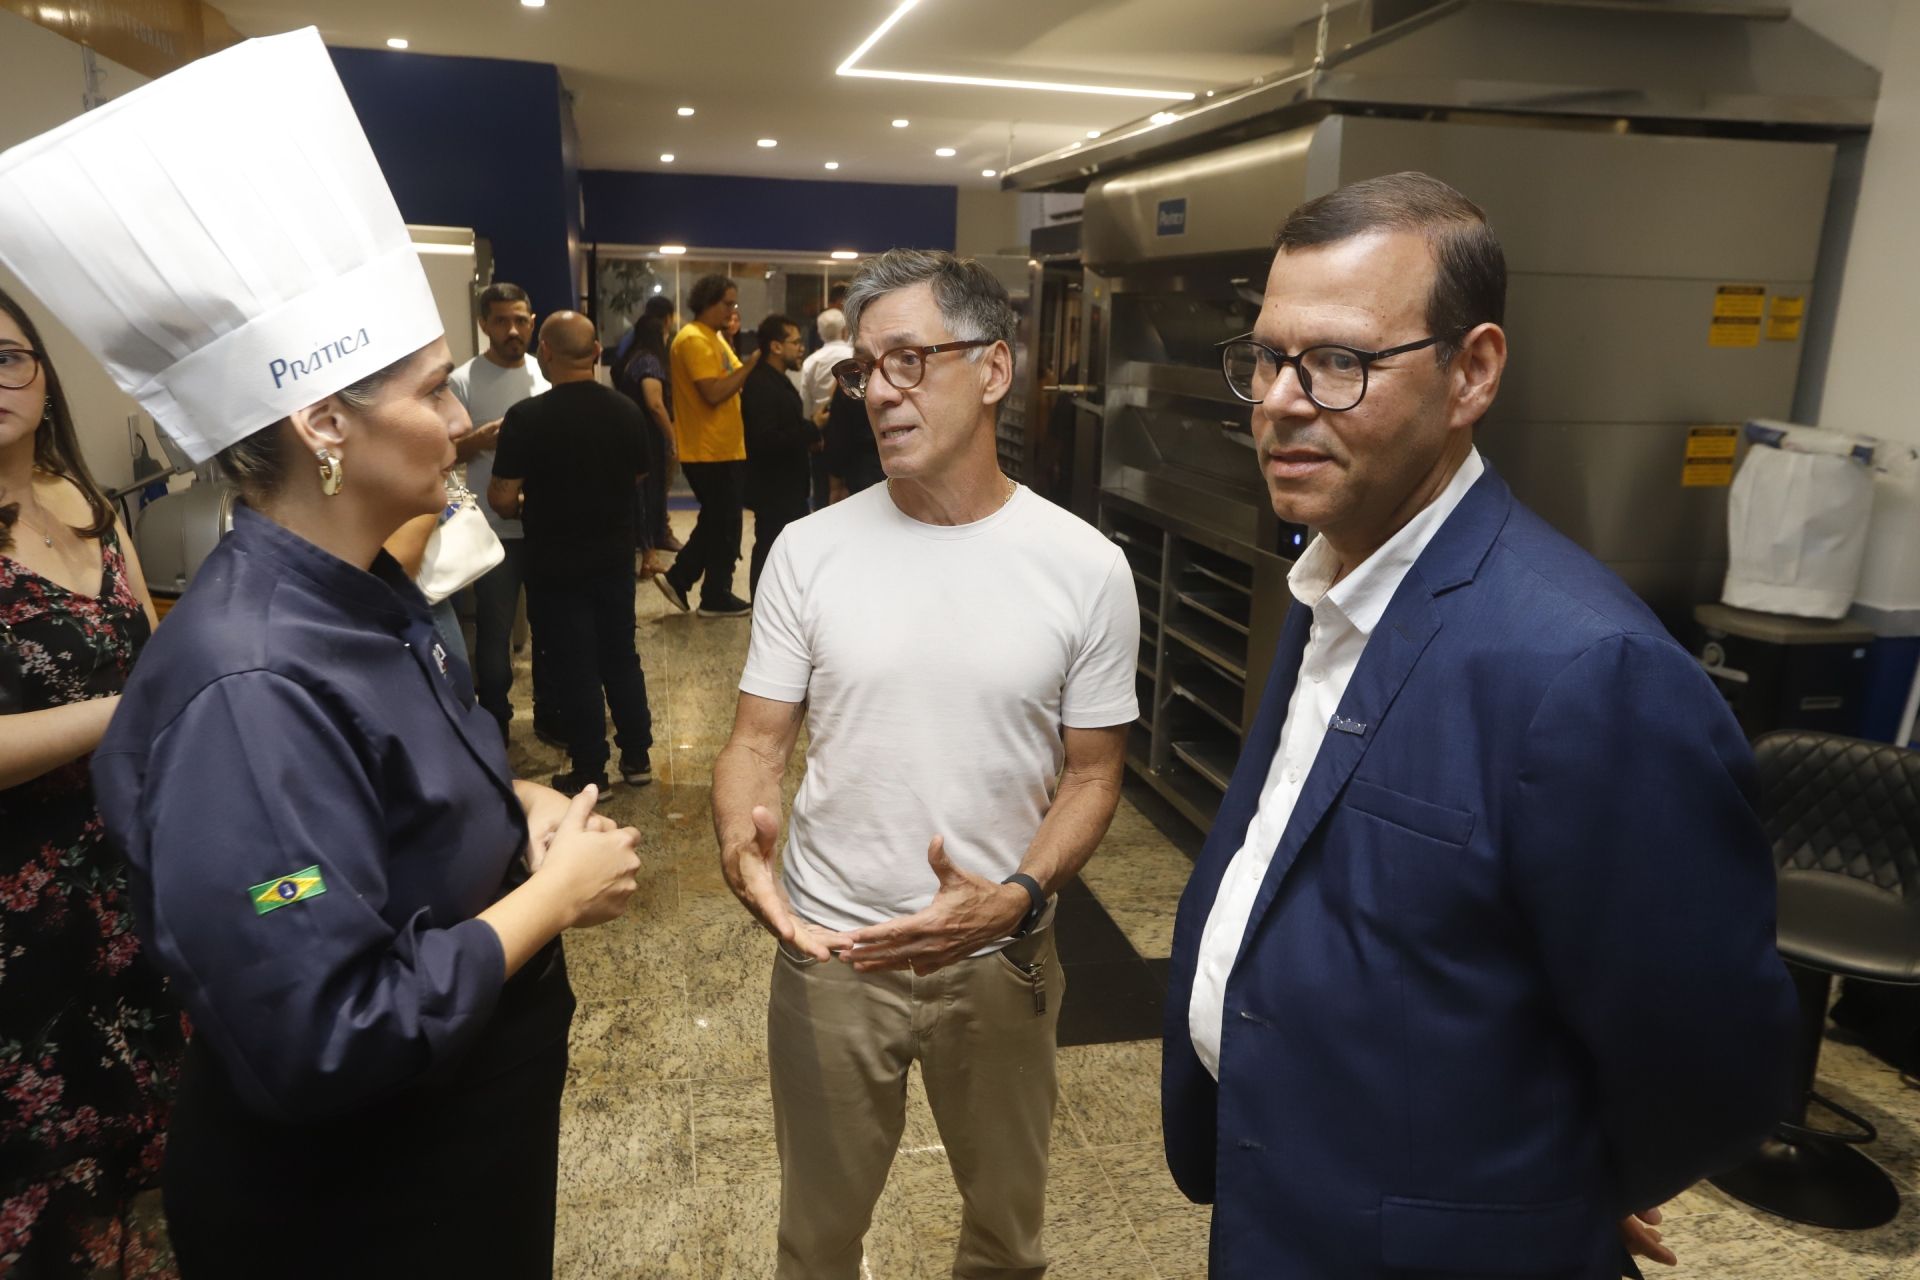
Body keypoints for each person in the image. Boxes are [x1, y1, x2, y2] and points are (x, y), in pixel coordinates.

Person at [0, 28, 642, 1278]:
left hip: (453, 1149)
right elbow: (328, 1028)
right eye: (434, 391)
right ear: (323, 422)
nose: (463, 423)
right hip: (362, 1205)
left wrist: (515, 809)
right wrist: (547, 898)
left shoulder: (366, 589)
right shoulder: (247, 682)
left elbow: (399, 775)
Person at [1159, 172, 1799, 1279]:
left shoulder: (1588, 673)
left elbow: (1714, 1064)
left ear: (1474, 371)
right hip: (1279, 1199)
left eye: (1341, 362)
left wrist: (1550, 1184)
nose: (1279, 400)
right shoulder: (1334, 584)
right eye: (1268, 357)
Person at [712, 249, 1140, 1279]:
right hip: (832, 951)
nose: (881, 393)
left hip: (999, 956)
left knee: (1006, 1237)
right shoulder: (809, 551)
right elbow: (757, 743)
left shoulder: (1085, 566)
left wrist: (1018, 893)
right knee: (817, 1239)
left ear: (993, 370)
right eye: (867, 369)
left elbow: (1092, 775)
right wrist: (742, 836)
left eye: (910, 359)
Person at [0, 287, 186, 1277]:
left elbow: (155, 652)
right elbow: (145, 693)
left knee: (138, 1133)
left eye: (8, 357)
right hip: (18, 903)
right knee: (41, 1180)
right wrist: (125, 713)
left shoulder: (88, 501)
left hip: (128, 864)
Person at [488, 312, 656, 794]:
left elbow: (501, 498)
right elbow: (639, 479)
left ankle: (590, 771)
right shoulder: (626, 411)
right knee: (621, 654)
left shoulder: (527, 417)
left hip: (554, 562)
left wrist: (538, 502)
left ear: (545, 352)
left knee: (575, 664)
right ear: (597, 352)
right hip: (613, 557)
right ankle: (638, 758)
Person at [448, 281, 550, 738]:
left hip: (547, 525)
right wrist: (480, 441)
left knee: (551, 630)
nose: (513, 330)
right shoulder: (463, 380)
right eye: (502, 321)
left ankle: (551, 715)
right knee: (495, 632)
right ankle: (495, 723)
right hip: (491, 530)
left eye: (521, 320)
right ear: (484, 324)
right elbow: (445, 454)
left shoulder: (544, 373)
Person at [657, 274, 757, 618]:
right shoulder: (694, 339)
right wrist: (752, 366)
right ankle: (685, 579)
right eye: (727, 303)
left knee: (723, 521)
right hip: (708, 448)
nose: (732, 310)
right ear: (709, 302)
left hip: (724, 446)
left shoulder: (712, 338)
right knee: (720, 519)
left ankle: (712, 590)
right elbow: (714, 392)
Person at [740, 313, 817, 597]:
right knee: (770, 549)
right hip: (773, 487)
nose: (801, 348)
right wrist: (811, 430)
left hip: (787, 485)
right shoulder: (761, 384)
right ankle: (763, 609)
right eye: (795, 342)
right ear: (775, 346)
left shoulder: (777, 380)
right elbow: (766, 439)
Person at [612, 296, 680, 578]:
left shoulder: (629, 359)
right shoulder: (650, 361)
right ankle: (649, 554)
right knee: (646, 493)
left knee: (643, 493)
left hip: (631, 433)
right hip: (647, 436)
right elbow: (654, 403)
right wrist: (672, 435)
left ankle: (652, 543)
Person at [798, 307, 851, 510]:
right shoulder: (854, 354)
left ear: (819, 333)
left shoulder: (811, 362)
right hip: (850, 429)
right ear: (845, 330)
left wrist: (811, 431)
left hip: (821, 431)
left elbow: (805, 400)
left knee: (822, 489)